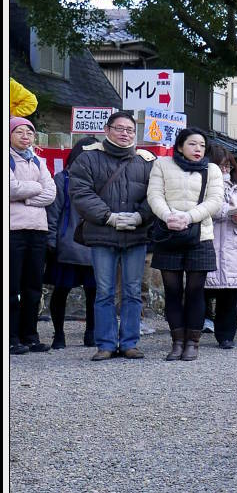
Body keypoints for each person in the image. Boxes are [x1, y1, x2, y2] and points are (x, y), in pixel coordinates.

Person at [67, 110, 156, 360]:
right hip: (102, 233)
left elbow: (156, 195)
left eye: (129, 129)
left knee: (132, 290)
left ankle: (129, 342)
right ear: (107, 130)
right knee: (104, 290)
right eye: (119, 128)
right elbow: (81, 193)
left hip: (136, 235)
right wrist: (109, 217)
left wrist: (140, 216)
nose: (125, 133)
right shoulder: (88, 159)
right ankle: (105, 343)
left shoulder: (146, 161)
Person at [148, 128, 224, 361]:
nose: (198, 149)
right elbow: (154, 195)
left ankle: (193, 342)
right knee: (172, 290)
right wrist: (168, 216)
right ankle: (177, 341)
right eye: (192, 144)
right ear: (180, 146)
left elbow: (215, 200)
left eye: (202, 145)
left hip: (199, 235)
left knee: (195, 290)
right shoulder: (162, 164)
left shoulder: (211, 169)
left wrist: (188, 217)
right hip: (169, 233)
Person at [45, 136, 100, 349]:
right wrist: (50, 240)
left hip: (90, 243)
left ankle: (89, 333)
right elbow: (54, 213)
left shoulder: (101, 179)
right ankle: (61, 334)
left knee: (93, 293)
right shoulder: (63, 179)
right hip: (68, 244)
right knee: (62, 291)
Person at [9, 115, 56, 354]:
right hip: (13, 229)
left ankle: (31, 335)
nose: (25, 137)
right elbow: (10, 187)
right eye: (20, 132)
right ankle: (11, 336)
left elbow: (51, 192)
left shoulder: (38, 160)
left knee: (33, 286)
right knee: (12, 285)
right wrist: (34, 190)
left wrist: (24, 195)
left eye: (29, 133)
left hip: (38, 229)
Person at [203, 146, 237, 349]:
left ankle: (226, 336)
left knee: (229, 295)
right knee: (200, 291)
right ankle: (193, 331)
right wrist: (228, 211)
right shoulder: (202, 182)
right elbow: (206, 209)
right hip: (210, 239)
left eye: (228, 165)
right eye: (221, 165)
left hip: (233, 243)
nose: (225, 169)